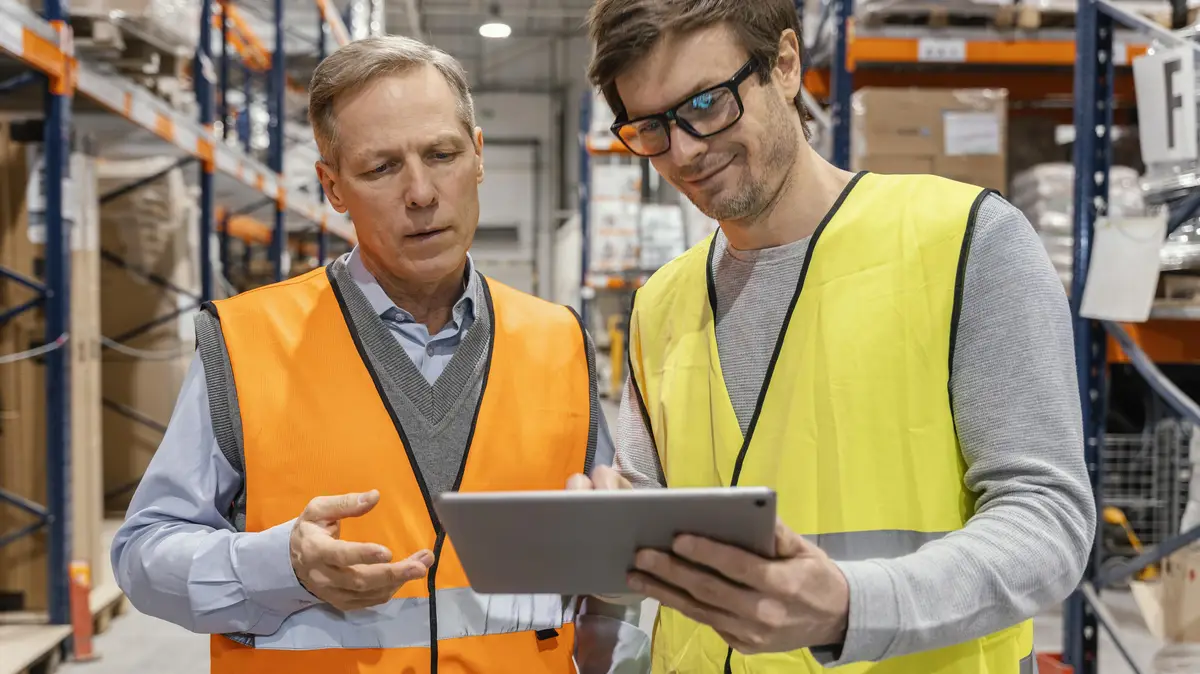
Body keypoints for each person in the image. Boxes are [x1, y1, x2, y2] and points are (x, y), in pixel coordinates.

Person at [569, 1, 1096, 672]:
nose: (684, 150)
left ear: (785, 65)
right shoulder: (662, 303)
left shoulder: (965, 242)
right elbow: (657, 534)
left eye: (706, 104)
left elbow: (1048, 522)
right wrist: (611, 533)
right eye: (651, 127)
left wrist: (851, 606)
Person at [112, 35, 648, 673]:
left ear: (477, 156)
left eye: (442, 154)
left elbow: (606, 585)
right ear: (332, 187)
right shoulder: (246, 342)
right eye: (381, 168)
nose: (421, 193)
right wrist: (278, 565)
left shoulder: (558, 341)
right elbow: (144, 553)